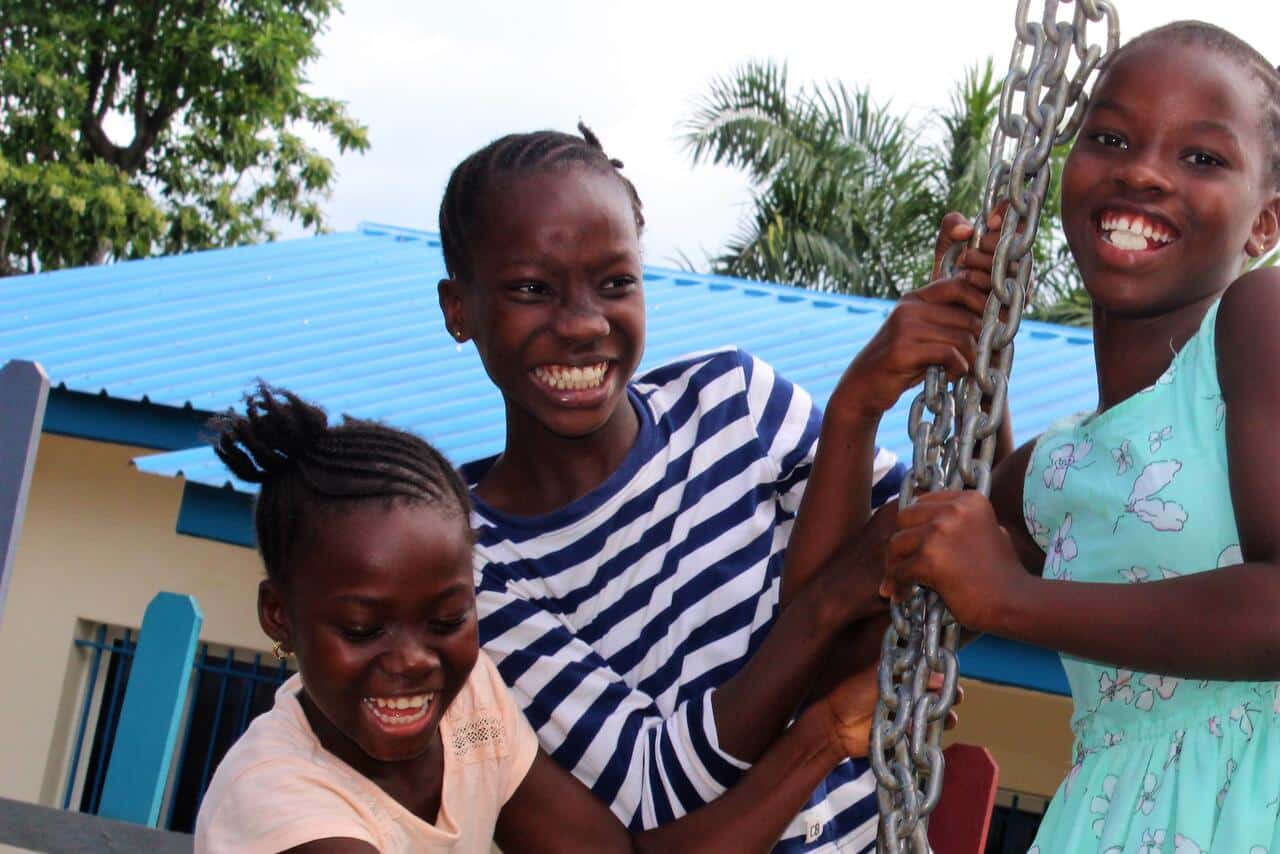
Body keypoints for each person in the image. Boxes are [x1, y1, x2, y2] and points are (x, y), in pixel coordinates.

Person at [436, 125, 991, 851]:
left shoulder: (731, 401)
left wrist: (929, 368)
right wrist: (832, 602)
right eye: (531, 290)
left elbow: (944, 582)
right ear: (458, 309)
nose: (580, 324)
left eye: (614, 283)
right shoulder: (466, 564)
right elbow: (655, 789)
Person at [883, 21, 1280, 852]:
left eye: (1201, 158)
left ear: (1265, 224)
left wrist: (1011, 599)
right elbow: (964, 542)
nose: (1142, 171)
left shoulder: (1261, 320)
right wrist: (974, 338)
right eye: (1110, 138)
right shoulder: (1059, 465)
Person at [193, 385, 889, 853]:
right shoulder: (278, 806)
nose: (412, 660)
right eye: (363, 628)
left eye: (447, 619)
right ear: (279, 617)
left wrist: (825, 735)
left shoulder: (469, 711)